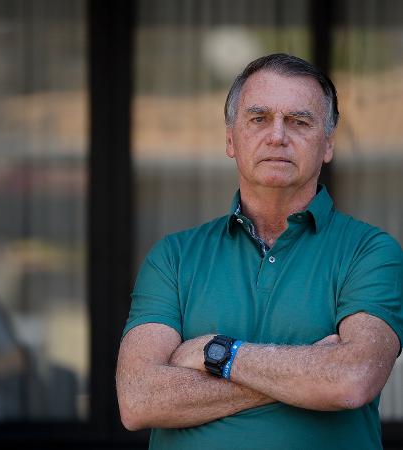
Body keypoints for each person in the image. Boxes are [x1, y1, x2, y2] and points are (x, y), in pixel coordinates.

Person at [116, 53, 403, 450]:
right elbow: (138, 399)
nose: (277, 136)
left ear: (328, 144)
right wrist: (308, 373)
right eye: (259, 118)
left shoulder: (370, 252)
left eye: (299, 121)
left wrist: (217, 354)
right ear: (230, 139)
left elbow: (353, 379)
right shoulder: (173, 257)